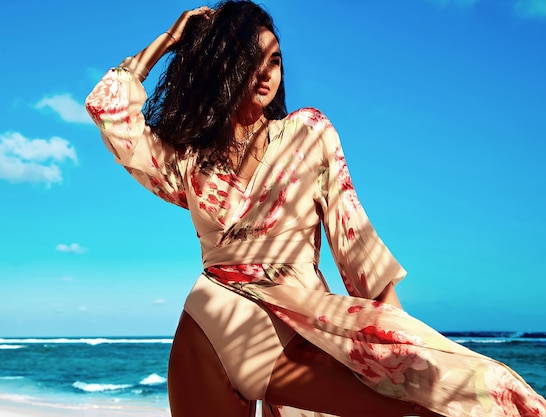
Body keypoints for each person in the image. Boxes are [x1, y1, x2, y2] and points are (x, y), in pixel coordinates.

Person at [85, 2, 546, 416]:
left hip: (297, 326)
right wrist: (171, 39)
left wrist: (397, 338)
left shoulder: (307, 133)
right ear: (225, 66)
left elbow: (354, 239)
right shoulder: (191, 162)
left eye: (275, 60)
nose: (266, 74)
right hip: (207, 329)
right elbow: (110, 111)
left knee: (456, 399)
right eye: (251, 60)